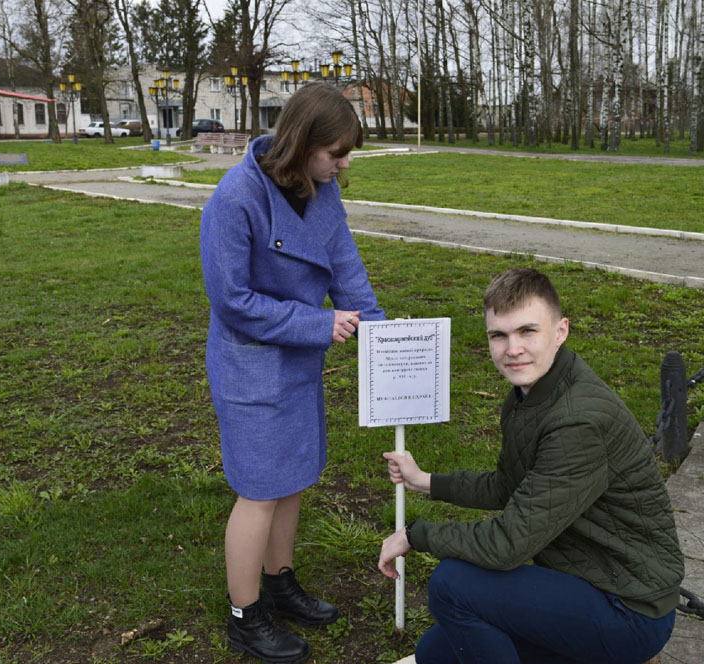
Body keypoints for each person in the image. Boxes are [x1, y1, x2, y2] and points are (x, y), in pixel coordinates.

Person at [378, 268, 683, 664]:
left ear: (560, 331)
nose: (512, 349)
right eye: (498, 335)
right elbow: (509, 486)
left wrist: (414, 536)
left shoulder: (578, 421)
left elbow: (508, 544)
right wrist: (426, 482)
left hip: (628, 609)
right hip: (586, 577)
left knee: (451, 585)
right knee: (434, 653)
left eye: (527, 331)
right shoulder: (530, 395)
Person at [200, 82, 385, 664]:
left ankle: (279, 584)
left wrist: (388, 338)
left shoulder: (322, 190)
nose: (345, 163)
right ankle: (245, 614)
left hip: (298, 365)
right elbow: (232, 300)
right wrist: (316, 325)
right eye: (336, 152)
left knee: (293, 480)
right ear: (302, 143)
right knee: (258, 492)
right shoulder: (236, 197)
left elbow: (346, 269)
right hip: (251, 366)